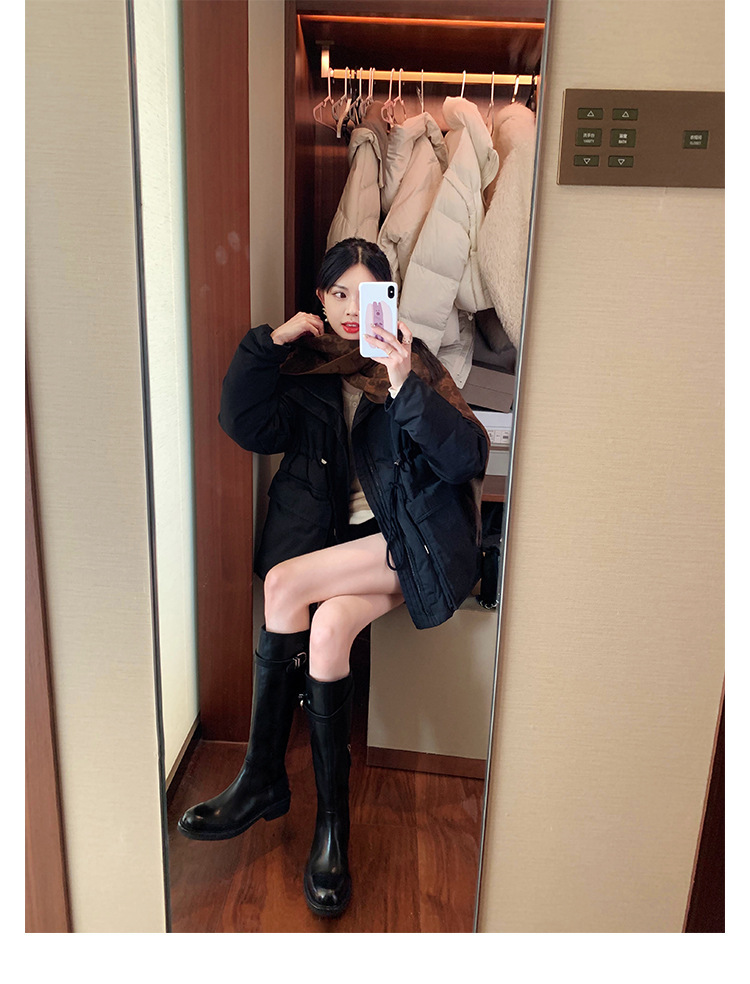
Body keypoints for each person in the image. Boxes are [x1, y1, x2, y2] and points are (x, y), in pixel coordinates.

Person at [178, 238, 489, 918]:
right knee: (327, 629)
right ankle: (331, 828)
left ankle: (262, 776)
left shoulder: (411, 363)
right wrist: (269, 344)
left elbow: (467, 458)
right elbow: (242, 422)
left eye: (365, 293)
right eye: (338, 293)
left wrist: (404, 384)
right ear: (321, 298)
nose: (351, 308)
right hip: (345, 550)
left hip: (409, 543)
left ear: (387, 300)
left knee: (283, 585)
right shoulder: (307, 368)